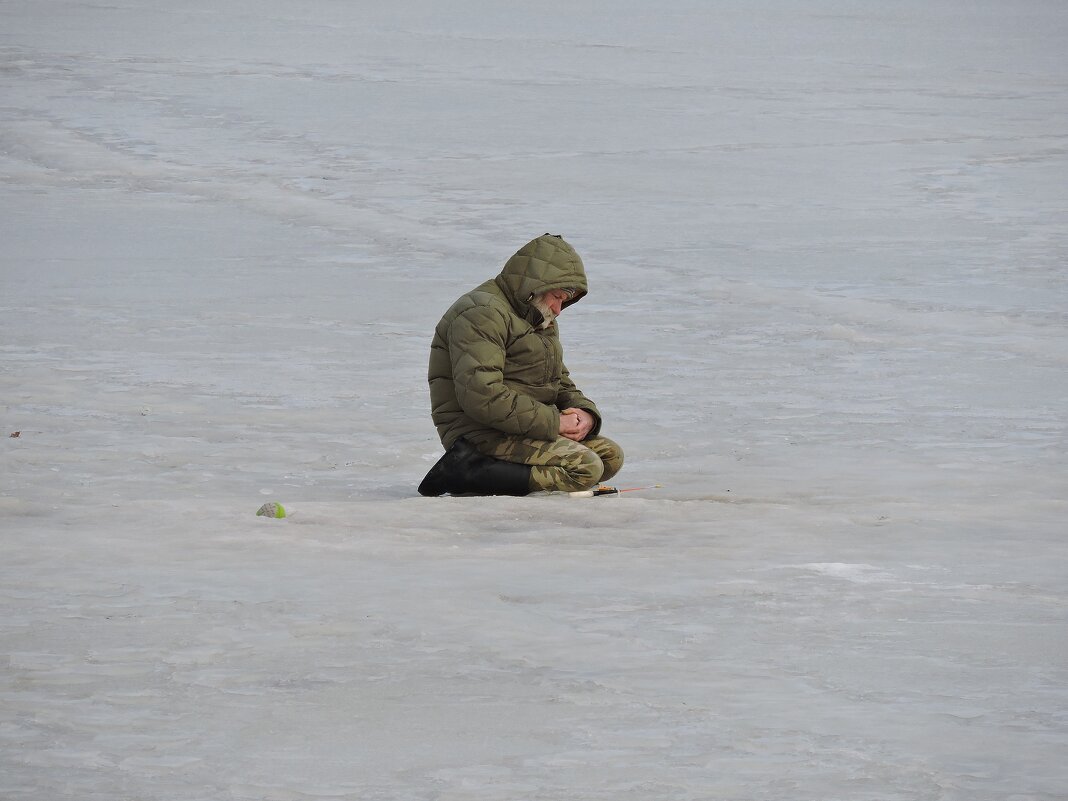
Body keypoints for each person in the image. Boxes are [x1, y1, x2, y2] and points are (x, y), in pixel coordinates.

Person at [418, 234, 624, 496]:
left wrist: (585, 415)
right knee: (584, 468)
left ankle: (504, 475)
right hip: (480, 433)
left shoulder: (537, 316)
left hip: (522, 426)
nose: (558, 310)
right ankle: (468, 472)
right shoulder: (481, 313)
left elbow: (558, 381)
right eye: (557, 297)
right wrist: (554, 422)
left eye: (564, 301)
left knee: (610, 457)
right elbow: (483, 396)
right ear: (535, 286)